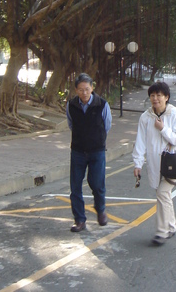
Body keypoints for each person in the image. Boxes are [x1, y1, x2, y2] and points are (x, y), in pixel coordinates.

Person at [132, 81, 176, 245]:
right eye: (152, 96)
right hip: (155, 163)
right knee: (164, 194)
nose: (155, 99)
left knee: (162, 193)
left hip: (172, 163)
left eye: (159, 95)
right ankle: (171, 226)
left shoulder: (175, 114)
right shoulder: (146, 117)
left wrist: (163, 128)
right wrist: (137, 163)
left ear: (166, 97)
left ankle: (161, 232)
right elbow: (140, 141)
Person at [66, 73, 112, 232]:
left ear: (92, 88)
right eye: (80, 90)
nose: (84, 93)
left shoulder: (102, 104)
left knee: (97, 183)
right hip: (78, 151)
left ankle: (101, 210)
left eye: (87, 89)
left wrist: (96, 139)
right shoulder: (71, 105)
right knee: (75, 186)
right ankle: (79, 220)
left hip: (97, 151)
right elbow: (71, 124)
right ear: (76, 90)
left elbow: (107, 125)